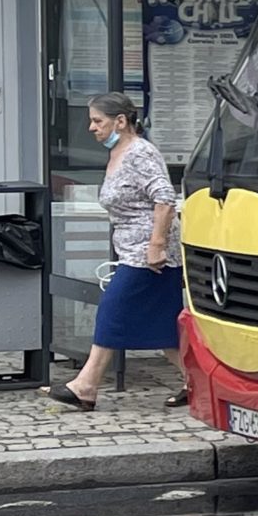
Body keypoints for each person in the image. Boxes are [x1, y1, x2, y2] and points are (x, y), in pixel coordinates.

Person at [49, 94, 178, 411]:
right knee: (164, 327)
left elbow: (165, 198)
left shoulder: (140, 153)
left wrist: (156, 245)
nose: (91, 127)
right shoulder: (118, 153)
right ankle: (197, 382)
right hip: (132, 250)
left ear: (120, 121)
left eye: (98, 121)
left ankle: (85, 385)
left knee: (112, 309)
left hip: (148, 255)